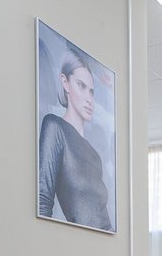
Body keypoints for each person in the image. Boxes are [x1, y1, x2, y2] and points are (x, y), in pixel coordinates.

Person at [38, 47, 112, 230]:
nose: (88, 98)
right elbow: (42, 200)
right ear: (65, 82)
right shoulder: (54, 127)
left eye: (92, 92)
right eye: (81, 86)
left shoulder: (94, 155)